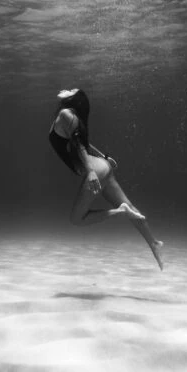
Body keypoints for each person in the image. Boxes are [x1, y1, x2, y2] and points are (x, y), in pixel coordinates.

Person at [49, 88, 164, 270]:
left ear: (74, 100)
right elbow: (85, 144)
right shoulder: (71, 117)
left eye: (72, 91)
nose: (68, 89)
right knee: (132, 207)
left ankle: (120, 212)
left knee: (77, 219)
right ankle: (153, 242)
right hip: (101, 166)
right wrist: (104, 157)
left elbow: (79, 145)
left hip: (95, 169)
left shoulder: (65, 114)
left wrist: (91, 171)